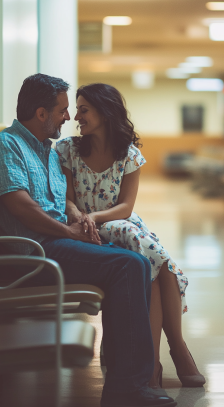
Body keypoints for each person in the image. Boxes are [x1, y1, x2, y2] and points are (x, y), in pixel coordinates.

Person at [0, 74, 176, 407]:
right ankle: (129, 384)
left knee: (136, 262)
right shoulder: (7, 146)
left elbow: (61, 204)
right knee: (128, 266)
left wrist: (80, 225)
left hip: (54, 245)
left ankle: (124, 373)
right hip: (34, 254)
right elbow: (21, 206)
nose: (68, 117)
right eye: (62, 110)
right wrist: (69, 232)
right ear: (41, 113)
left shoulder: (45, 150)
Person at [55, 83, 205, 389]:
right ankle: (167, 355)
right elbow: (67, 199)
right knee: (159, 265)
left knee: (156, 263)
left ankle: (171, 350)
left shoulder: (130, 155)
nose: (77, 117)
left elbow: (125, 207)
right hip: (87, 228)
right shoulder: (68, 149)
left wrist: (94, 216)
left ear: (105, 111)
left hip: (117, 221)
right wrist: (79, 215)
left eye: (83, 109)